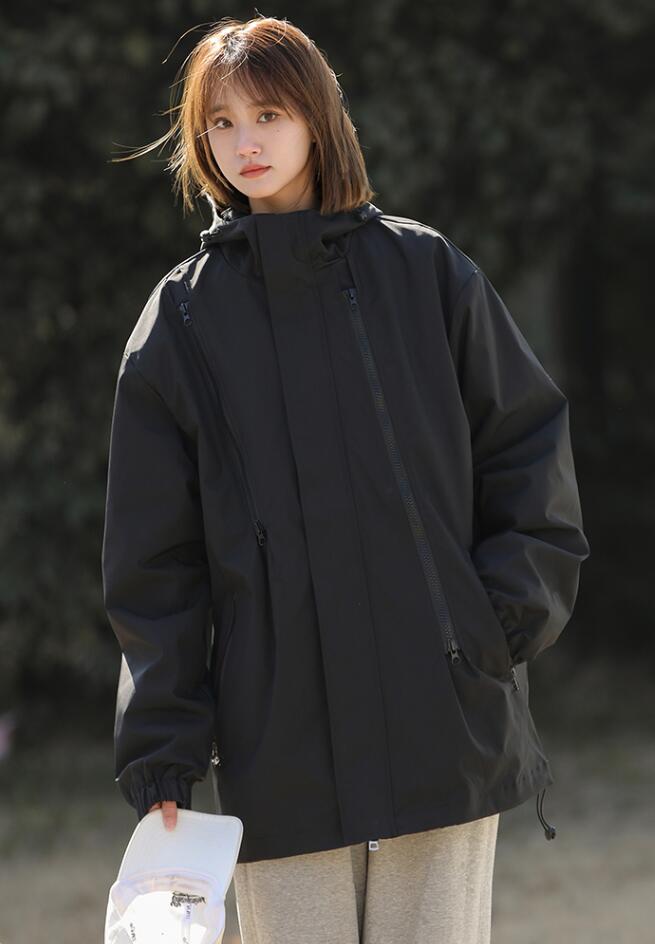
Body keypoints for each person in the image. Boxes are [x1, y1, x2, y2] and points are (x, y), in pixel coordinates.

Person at [101, 14, 590, 944]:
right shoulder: (180, 322)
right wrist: (164, 746)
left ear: (317, 118)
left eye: (268, 115)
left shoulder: (425, 272)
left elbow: (527, 448)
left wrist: (494, 623)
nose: (244, 142)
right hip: (275, 739)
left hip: (441, 713)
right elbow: (152, 559)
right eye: (220, 123)